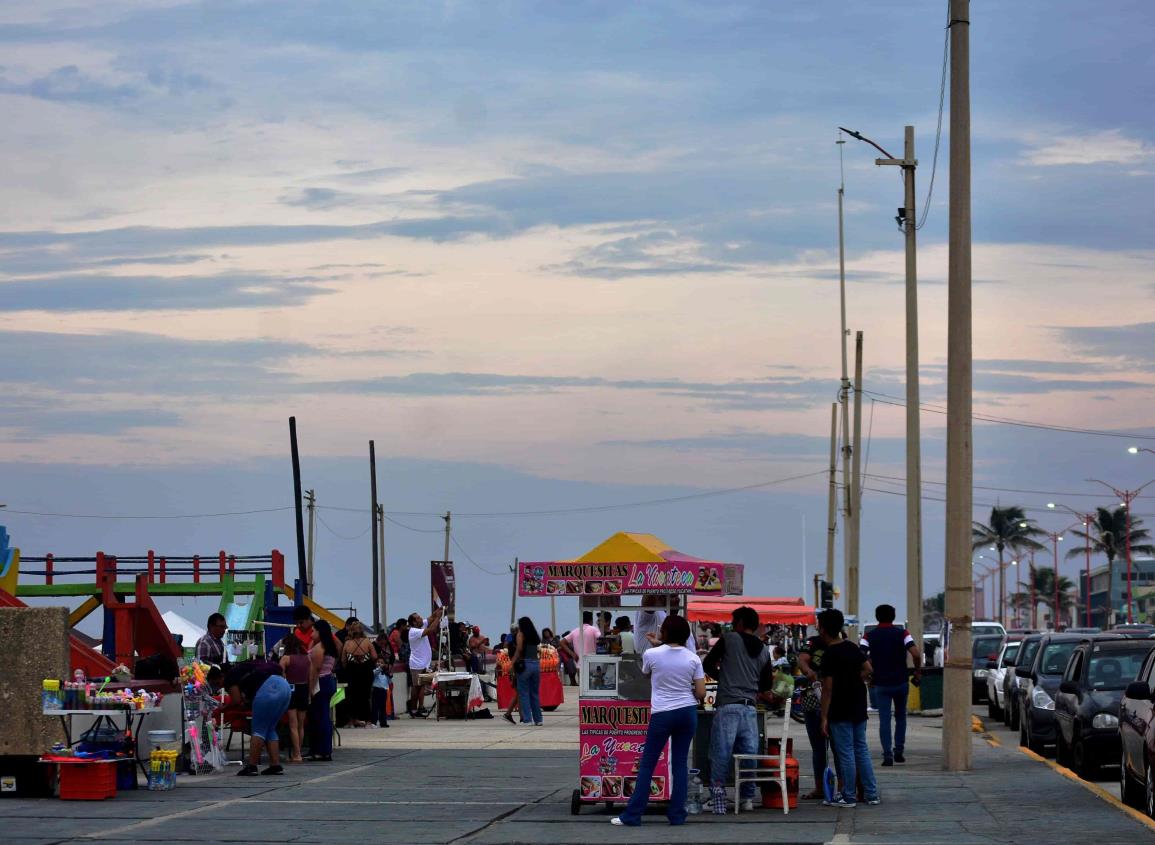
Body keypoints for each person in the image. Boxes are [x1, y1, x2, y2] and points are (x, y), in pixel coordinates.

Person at [611, 615, 706, 827]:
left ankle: (633, 815)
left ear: (666, 633)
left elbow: (646, 673)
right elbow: (700, 692)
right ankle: (677, 815)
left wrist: (657, 646)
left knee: (648, 764)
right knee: (680, 764)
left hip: (662, 713)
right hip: (687, 712)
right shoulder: (693, 658)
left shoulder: (651, 654)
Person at [701, 605, 775, 814]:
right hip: (750, 708)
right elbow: (766, 684)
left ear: (741, 623)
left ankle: (719, 799)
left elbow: (707, 664)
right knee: (749, 754)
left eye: (734, 622)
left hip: (728, 706)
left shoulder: (730, 639)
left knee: (721, 754)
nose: (732, 626)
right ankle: (747, 799)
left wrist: (723, 678)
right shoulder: (763, 649)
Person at [819, 609, 880, 808]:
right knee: (861, 750)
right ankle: (871, 794)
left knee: (846, 752)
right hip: (858, 703)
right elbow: (869, 670)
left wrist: (824, 716)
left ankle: (848, 796)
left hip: (840, 706)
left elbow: (827, 688)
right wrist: (856, 679)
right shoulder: (852, 647)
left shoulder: (829, 654)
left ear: (822, 629)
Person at [860, 604, 922, 766]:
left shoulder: (869, 636)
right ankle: (899, 751)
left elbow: (860, 655)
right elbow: (915, 653)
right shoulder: (903, 634)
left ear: (877, 617)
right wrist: (917, 671)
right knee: (901, 717)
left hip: (881, 683)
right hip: (901, 681)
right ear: (893, 617)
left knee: (884, 720)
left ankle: (887, 755)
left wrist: (869, 670)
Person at [223, 658, 290, 776]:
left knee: (258, 730)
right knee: (270, 728)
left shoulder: (229, 677)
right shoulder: (249, 666)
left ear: (221, 676)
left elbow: (236, 700)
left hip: (268, 690)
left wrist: (222, 709)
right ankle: (275, 765)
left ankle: (252, 766)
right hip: (285, 687)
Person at [798, 627, 836, 799]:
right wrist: (808, 671)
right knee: (819, 748)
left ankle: (845, 788)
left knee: (839, 747)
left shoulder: (840, 644)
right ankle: (820, 788)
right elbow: (802, 660)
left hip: (834, 700)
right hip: (812, 698)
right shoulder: (813, 642)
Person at [307, 619, 339, 761]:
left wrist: (311, 689)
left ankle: (322, 750)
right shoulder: (330, 646)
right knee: (322, 715)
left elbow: (315, 670)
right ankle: (321, 749)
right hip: (328, 679)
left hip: (321, 681)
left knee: (320, 717)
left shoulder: (320, 648)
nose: (311, 634)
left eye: (313, 631)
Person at [278, 634, 311, 762]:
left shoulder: (286, 658)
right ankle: (299, 753)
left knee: (293, 724)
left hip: (291, 690)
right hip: (304, 688)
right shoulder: (307, 658)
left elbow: (279, 674)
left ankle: (296, 754)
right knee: (301, 725)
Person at [407, 606, 444, 717]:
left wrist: (439, 610)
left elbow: (431, 617)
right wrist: (438, 618)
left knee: (421, 686)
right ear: (413, 622)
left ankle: (420, 707)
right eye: (418, 618)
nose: (420, 618)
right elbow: (431, 630)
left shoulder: (421, 624)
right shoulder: (413, 631)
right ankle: (413, 710)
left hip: (424, 663)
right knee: (416, 687)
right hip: (416, 664)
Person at [340, 618, 377, 727]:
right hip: (366, 671)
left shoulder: (347, 643)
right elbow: (374, 656)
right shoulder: (367, 642)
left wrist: (348, 666)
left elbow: (343, 660)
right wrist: (366, 659)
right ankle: (368, 721)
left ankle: (352, 720)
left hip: (351, 671)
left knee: (351, 697)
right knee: (366, 697)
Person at [509, 616, 544, 726]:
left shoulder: (521, 634)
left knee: (524, 693)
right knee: (535, 693)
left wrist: (512, 663)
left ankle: (527, 719)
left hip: (525, 665)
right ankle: (538, 720)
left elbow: (519, 649)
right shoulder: (535, 635)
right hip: (536, 664)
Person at [371, 656, 392, 728]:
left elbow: (389, 682)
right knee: (375, 707)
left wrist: (389, 675)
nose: (379, 664)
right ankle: (373, 722)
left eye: (381, 663)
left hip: (384, 690)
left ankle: (383, 722)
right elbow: (375, 673)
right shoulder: (375, 671)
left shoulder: (385, 673)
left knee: (383, 707)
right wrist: (380, 667)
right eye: (378, 662)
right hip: (376, 690)